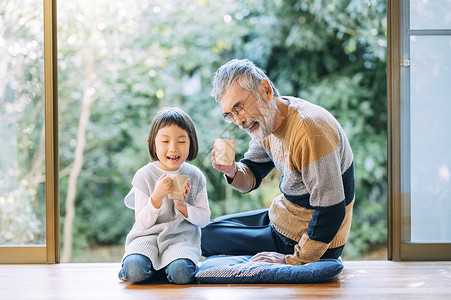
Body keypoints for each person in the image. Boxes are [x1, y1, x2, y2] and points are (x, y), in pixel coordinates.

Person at [201, 59, 355, 265]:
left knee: (202, 237)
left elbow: (331, 211)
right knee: (204, 230)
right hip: (286, 217)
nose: (238, 121)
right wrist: (231, 170)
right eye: (230, 115)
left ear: (265, 89)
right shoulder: (268, 121)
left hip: (307, 237)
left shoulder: (309, 131)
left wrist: (293, 259)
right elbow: (252, 174)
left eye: (239, 108)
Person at [119, 107, 211, 284]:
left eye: (181, 141)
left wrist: (183, 207)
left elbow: (204, 219)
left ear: (191, 143)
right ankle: (157, 267)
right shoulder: (144, 175)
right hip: (146, 238)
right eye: (165, 141)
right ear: (152, 144)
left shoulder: (195, 175)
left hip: (180, 240)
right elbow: (142, 223)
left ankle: (167, 268)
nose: (173, 148)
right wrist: (156, 197)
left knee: (181, 273)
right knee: (135, 270)